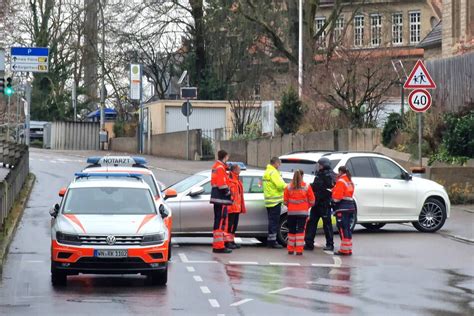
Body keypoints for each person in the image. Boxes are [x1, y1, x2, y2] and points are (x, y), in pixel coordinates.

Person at [304, 157, 336, 251]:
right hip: (317, 203)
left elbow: (328, 190)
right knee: (311, 223)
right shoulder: (320, 174)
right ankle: (309, 243)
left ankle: (330, 244)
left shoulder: (329, 176)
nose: (318, 167)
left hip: (324, 203)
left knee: (327, 224)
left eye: (320, 165)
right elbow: (317, 186)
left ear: (324, 165)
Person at [284, 170, 315, 255]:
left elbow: (285, 201)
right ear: (302, 176)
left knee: (291, 231)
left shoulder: (288, 187)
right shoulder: (307, 186)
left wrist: (291, 206)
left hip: (291, 212)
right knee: (300, 231)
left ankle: (290, 249)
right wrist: (306, 207)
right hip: (303, 213)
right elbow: (312, 201)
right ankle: (299, 250)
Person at [210, 150, 233, 253]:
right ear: (225, 156)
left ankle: (217, 245)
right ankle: (219, 246)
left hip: (217, 197)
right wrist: (228, 192)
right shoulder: (220, 168)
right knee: (220, 222)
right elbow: (222, 184)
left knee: (218, 221)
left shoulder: (217, 166)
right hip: (221, 198)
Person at [332, 166, 357, 256]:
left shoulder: (341, 181)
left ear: (340, 172)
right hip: (350, 207)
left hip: (342, 207)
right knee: (347, 228)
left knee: (342, 228)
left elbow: (337, 197)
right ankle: (348, 249)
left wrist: (332, 197)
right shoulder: (349, 180)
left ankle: (344, 250)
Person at [263, 157, 286, 248]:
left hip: (269, 201)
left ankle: (271, 240)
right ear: (276, 163)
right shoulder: (274, 173)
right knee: (274, 222)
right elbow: (280, 185)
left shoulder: (267, 172)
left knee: (271, 221)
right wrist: (288, 186)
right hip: (275, 201)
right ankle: (272, 242)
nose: (279, 165)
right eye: (279, 164)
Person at [224, 163, 246, 250]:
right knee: (230, 226)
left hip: (236, 208)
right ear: (234, 170)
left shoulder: (237, 180)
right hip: (231, 208)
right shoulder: (230, 180)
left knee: (234, 226)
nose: (240, 171)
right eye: (239, 169)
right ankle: (228, 242)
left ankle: (231, 241)